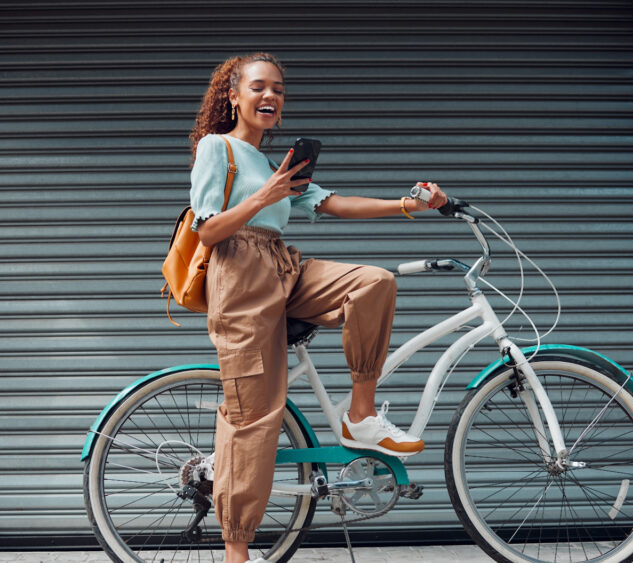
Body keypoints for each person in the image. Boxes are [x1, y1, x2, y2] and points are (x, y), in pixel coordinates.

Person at [188, 52, 448, 563]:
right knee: (254, 417)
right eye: (259, 87)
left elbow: (330, 202)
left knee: (373, 282)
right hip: (239, 276)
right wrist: (264, 196)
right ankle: (236, 553)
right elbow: (207, 229)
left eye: (279, 90)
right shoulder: (217, 149)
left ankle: (360, 414)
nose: (270, 97)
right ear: (233, 96)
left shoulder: (277, 163)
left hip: (282, 266)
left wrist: (407, 205)